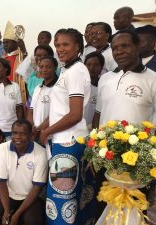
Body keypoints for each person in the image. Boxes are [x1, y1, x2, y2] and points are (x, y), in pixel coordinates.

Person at [91, 30, 156, 225]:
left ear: (138, 47)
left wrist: (154, 156)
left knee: (135, 211)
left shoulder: (154, 80)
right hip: (107, 156)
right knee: (104, 204)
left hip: (137, 162)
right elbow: (98, 115)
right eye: (115, 48)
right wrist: (95, 148)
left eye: (125, 46)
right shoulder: (105, 80)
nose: (119, 51)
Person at [39, 28, 91, 225]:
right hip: (63, 139)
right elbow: (59, 109)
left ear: (78, 46)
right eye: (58, 45)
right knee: (64, 195)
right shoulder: (67, 70)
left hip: (69, 140)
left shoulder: (77, 71)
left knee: (63, 197)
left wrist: (48, 131)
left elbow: (75, 114)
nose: (60, 49)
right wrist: (43, 127)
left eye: (65, 44)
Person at [0, 119, 48, 225]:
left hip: (31, 197)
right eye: (15, 133)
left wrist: (16, 215)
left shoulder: (41, 153)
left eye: (22, 134)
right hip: (10, 194)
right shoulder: (2, 148)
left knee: (32, 221)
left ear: (30, 135)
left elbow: (36, 189)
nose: (17, 137)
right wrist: (7, 211)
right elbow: (1, 183)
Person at [27, 56, 58, 145]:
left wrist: (39, 129)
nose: (44, 69)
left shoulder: (58, 88)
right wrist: (31, 128)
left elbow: (55, 114)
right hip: (35, 134)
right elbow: (31, 110)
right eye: (41, 67)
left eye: (48, 67)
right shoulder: (37, 88)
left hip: (50, 135)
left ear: (55, 68)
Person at [3, 21, 27, 110]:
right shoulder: (2, 58)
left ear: (15, 43)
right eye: (4, 43)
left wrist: (24, 50)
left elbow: (28, 68)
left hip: (17, 91)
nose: (5, 45)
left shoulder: (21, 56)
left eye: (7, 42)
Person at [83, 52, 105, 128]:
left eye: (96, 65)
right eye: (88, 64)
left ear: (101, 67)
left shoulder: (105, 86)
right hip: (78, 132)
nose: (92, 68)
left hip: (97, 131)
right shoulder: (79, 86)